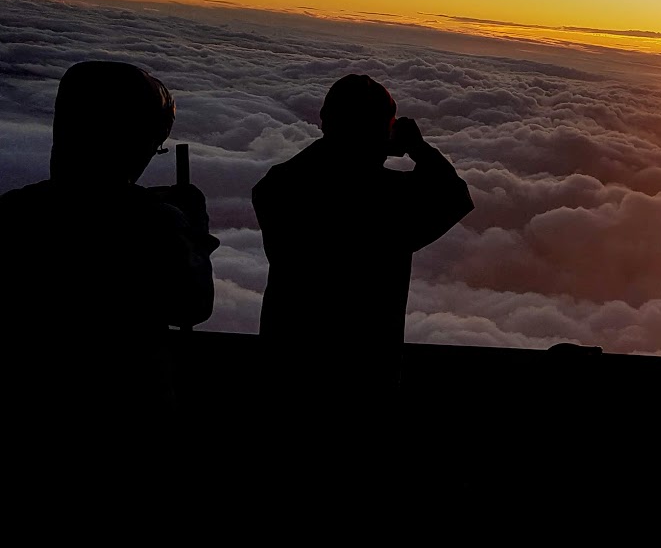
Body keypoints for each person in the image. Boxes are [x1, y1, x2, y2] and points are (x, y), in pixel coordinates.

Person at [0, 61, 217, 456]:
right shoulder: (155, 225)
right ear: (133, 141)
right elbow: (192, 305)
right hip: (130, 421)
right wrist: (192, 229)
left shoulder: (12, 211)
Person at [252, 73, 472, 433]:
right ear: (382, 131)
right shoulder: (389, 200)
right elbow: (455, 196)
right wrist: (418, 148)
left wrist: (352, 142)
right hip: (367, 377)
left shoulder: (279, 186)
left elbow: (305, 171)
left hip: (288, 366)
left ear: (326, 120)